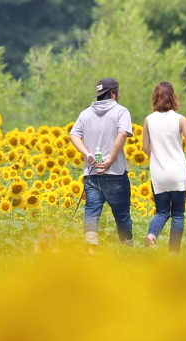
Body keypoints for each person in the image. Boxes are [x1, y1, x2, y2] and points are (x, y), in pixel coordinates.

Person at [68, 77, 134, 246]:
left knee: (92, 212)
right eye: (118, 92)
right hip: (115, 174)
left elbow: (73, 135)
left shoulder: (85, 113)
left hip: (91, 174)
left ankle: (91, 250)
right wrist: (110, 160)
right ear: (113, 93)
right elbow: (122, 134)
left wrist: (87, 154)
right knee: (121, 214)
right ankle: (126, 250)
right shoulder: (121, 111)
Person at [142, 82, 186, 251]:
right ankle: (173, 254)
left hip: (159, 174)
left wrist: (158, 157)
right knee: (178, 214)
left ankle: (151, 235)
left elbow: (145, 148)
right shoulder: (180, 119)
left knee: (162, 212)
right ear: (173, 97)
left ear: (155, 97)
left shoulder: (149, 120)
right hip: (178, 173)